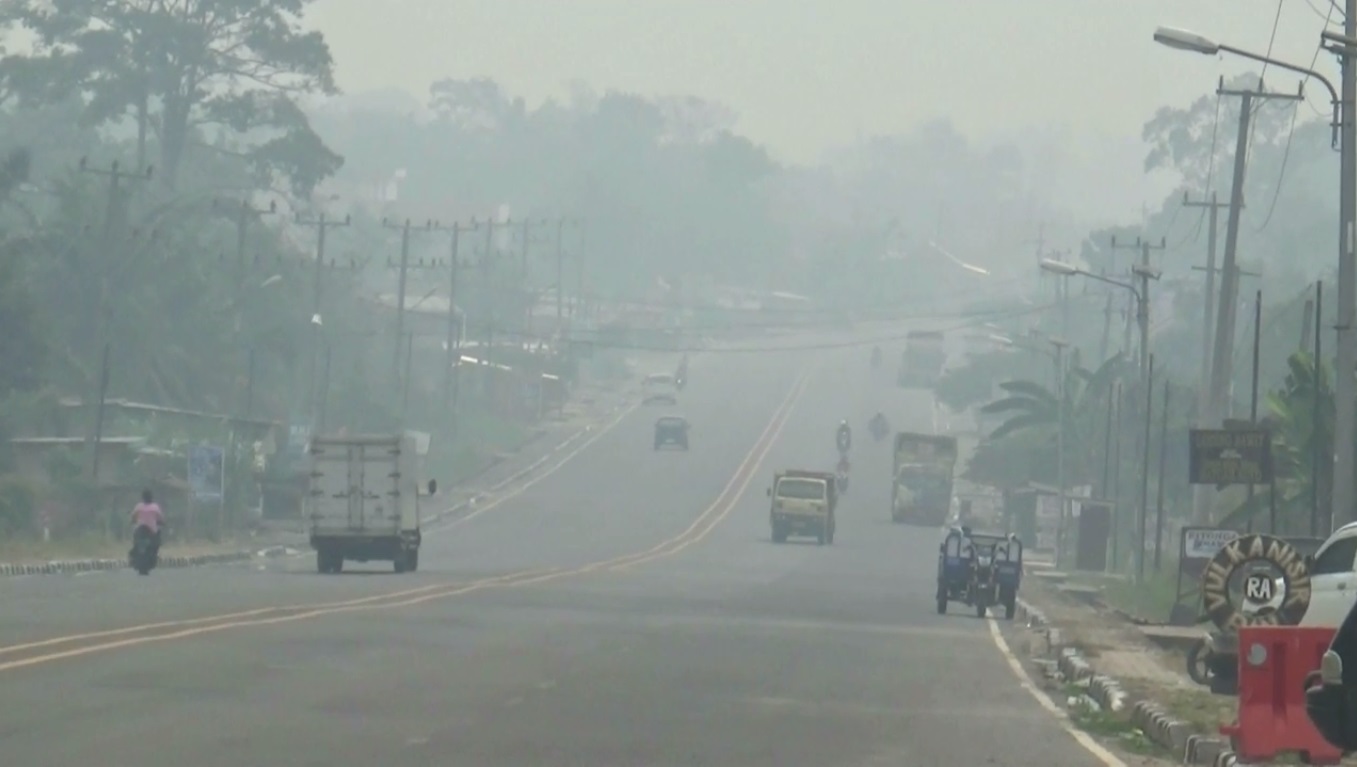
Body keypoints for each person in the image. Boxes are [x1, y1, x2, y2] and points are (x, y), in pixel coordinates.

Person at [130, 488, 165, 559]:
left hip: (139, 529)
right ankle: (156, 553)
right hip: (152, 531)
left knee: (135, 536)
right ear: (151, 497)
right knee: (157, 538)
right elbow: (161, 519)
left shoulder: (139, 506)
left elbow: (133, 517)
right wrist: (162, 522)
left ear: (142, 497)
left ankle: (135, 549)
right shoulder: (155, 507)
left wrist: (133, 521)